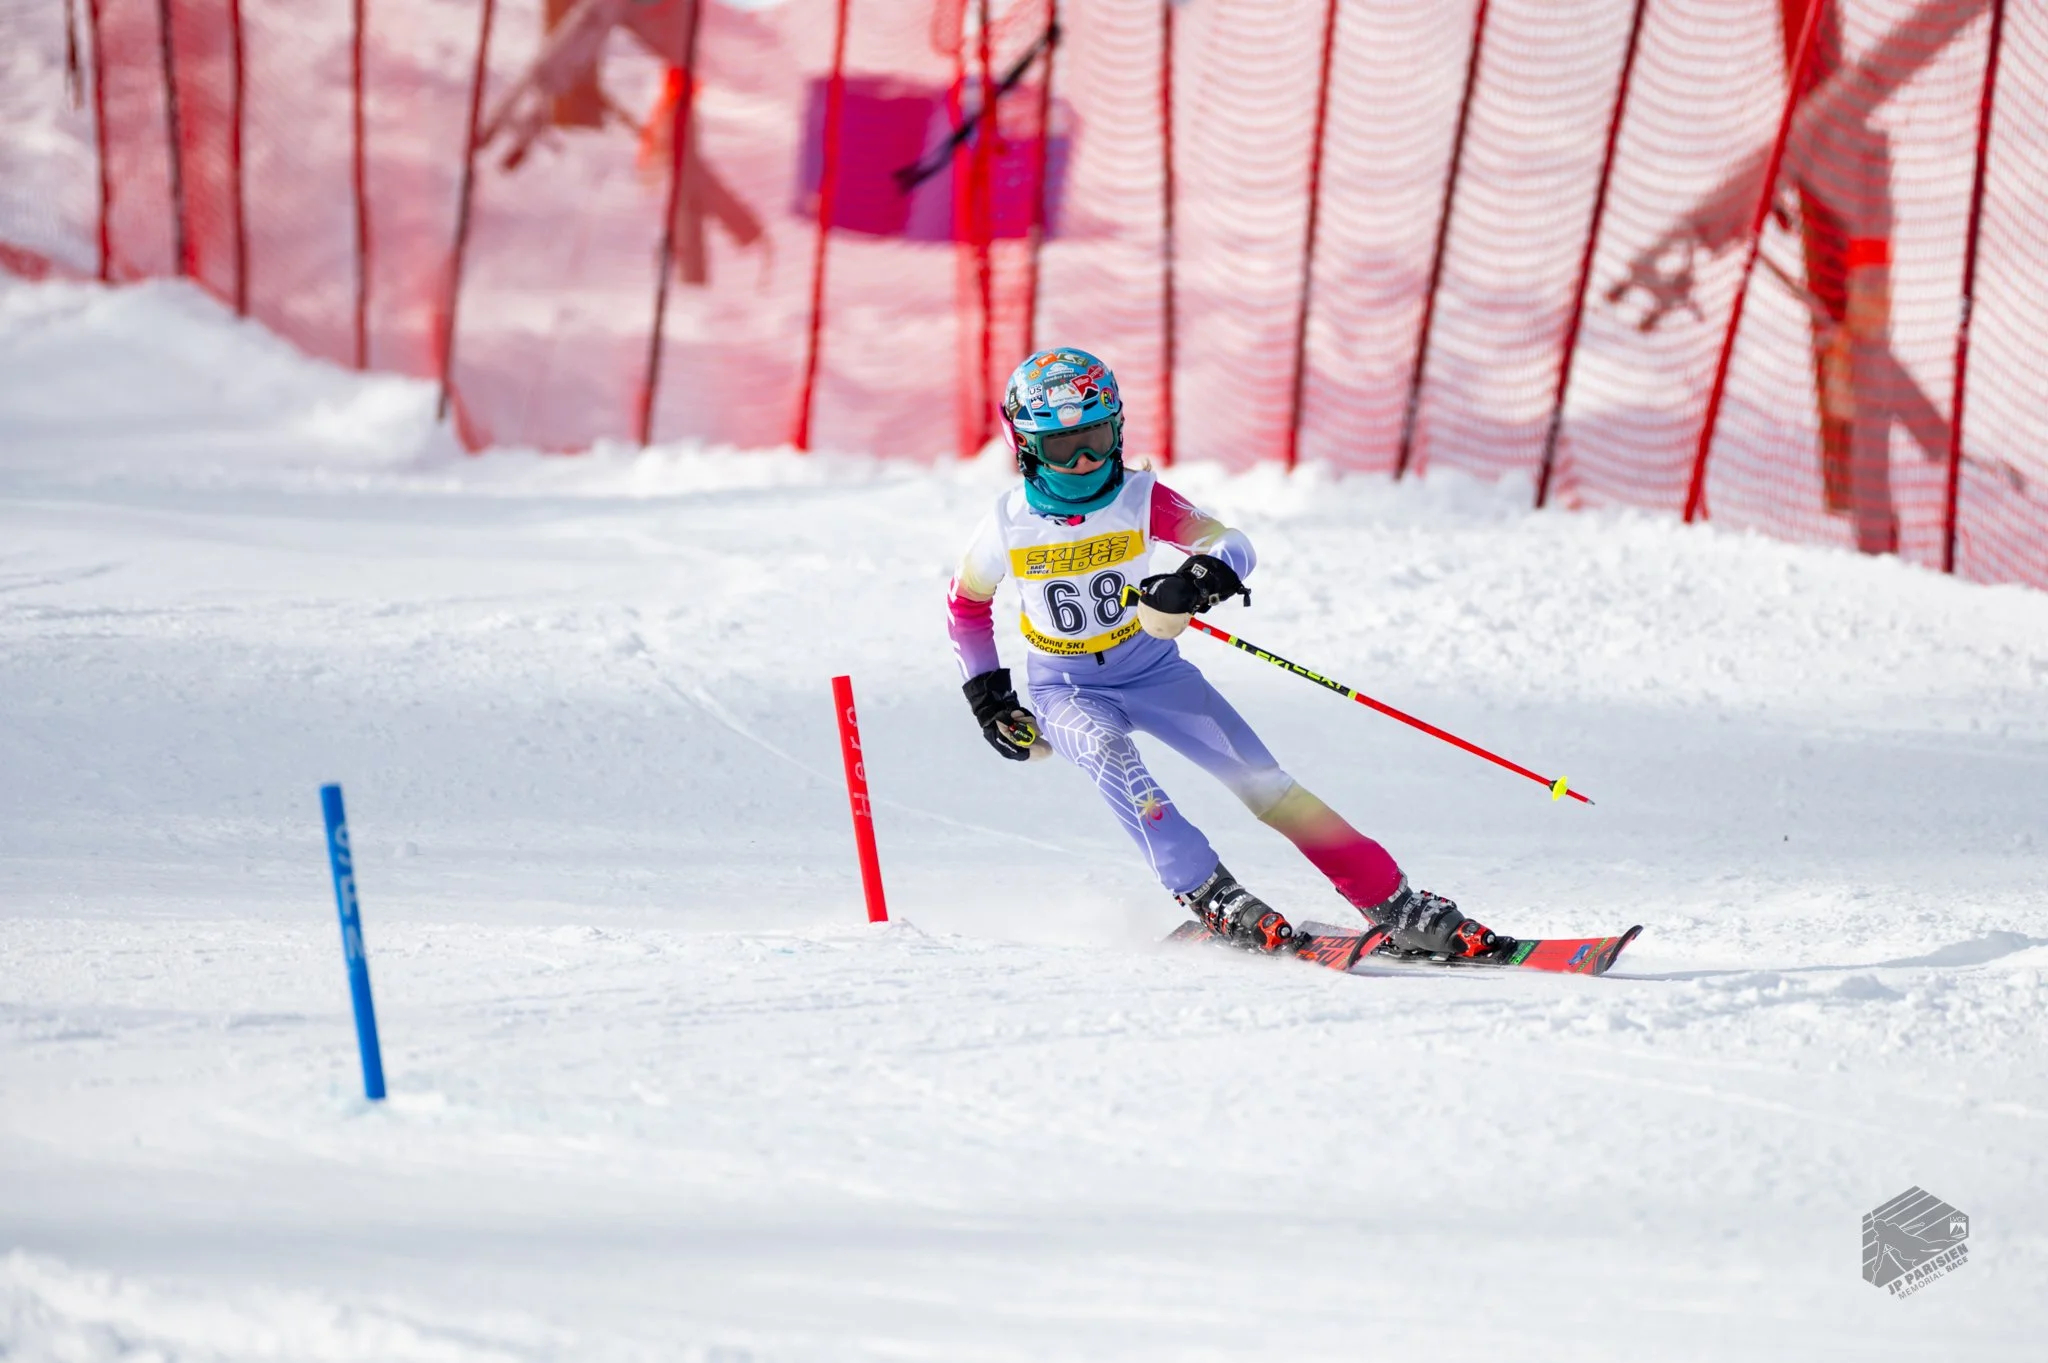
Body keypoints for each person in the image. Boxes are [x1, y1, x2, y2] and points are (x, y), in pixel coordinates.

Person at [945, 347, 1497, 957]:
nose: (1084, 462)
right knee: (1109, 756)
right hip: (1067, 689)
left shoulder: (1140, 497)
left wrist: (1195, 581)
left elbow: (1231, 544)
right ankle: (1206, 889)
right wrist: (990, 700)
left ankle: (1390, 899)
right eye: (1061, 447)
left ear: (1118, 429)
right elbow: (966, 606)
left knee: (1264, 782)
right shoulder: (1007, 523)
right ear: (1024, 446)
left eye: (1096, 440)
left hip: (1153, 671)